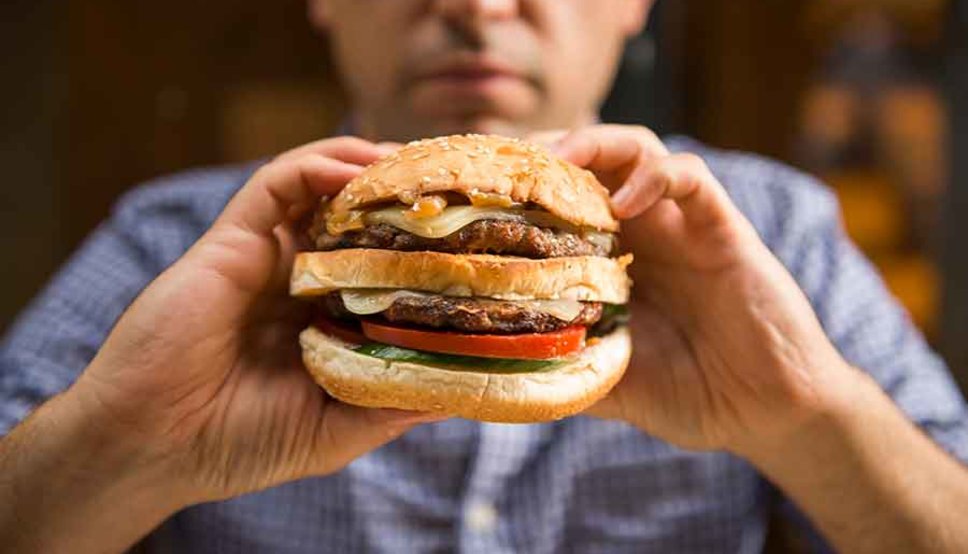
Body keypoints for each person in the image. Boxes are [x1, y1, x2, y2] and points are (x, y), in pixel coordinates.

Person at [2, 1, 967, 552]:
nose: (475, 4)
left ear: (634, 5)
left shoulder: (775, 230)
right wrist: (134, 444)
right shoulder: (173, 240)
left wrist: (805, 417)